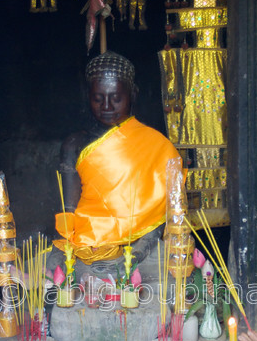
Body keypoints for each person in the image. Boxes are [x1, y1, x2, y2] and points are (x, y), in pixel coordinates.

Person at [54, 50, 182, 265]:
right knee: (53, 269)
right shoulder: (74, 144)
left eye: (116, 99)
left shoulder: (157, 145)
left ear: (132, 95)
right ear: (88, 97)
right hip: (87, 243)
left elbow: (163, 213)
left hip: (142, 243)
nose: (106, 107)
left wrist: (141, 249)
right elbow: (68, 209)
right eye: (98, 98)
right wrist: (68, 247)